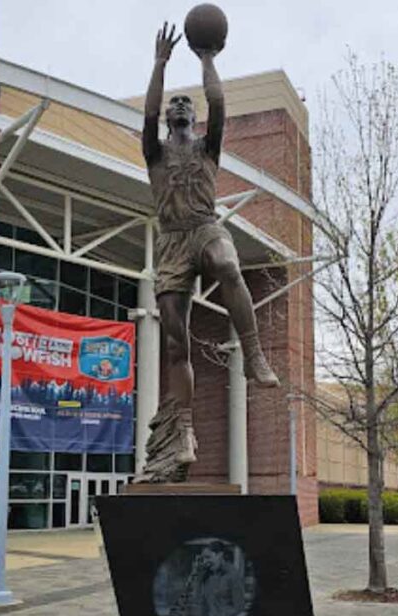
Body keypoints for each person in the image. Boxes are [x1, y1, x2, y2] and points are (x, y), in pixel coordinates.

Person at [142, 23, 278, 466]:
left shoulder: (207, 148)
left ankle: (253, 354)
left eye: (186, 103)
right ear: (167, 118)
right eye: (173, 104)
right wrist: (160, 64)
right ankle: (180, 429)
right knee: (176, 345)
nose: (179, 106)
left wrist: (206, 59)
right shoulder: (155, 153)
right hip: (172, 243)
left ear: (194, 119)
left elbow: (218, 102)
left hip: (204, 228)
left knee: (227, 263)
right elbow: (145, 114)